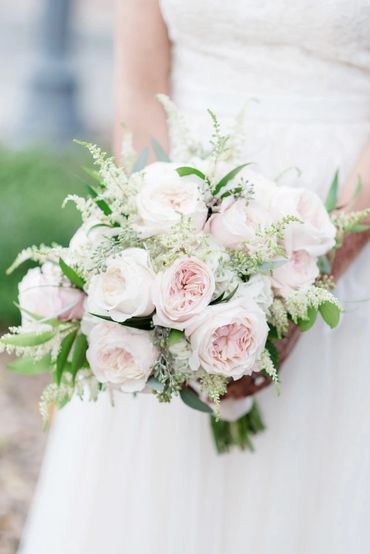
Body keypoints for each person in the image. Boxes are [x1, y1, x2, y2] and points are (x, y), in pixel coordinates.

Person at [20, 1, 370, 552]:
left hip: (340, 211)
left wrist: (316, 271)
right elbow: (139, 93)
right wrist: (159, 261)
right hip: (180, 202)